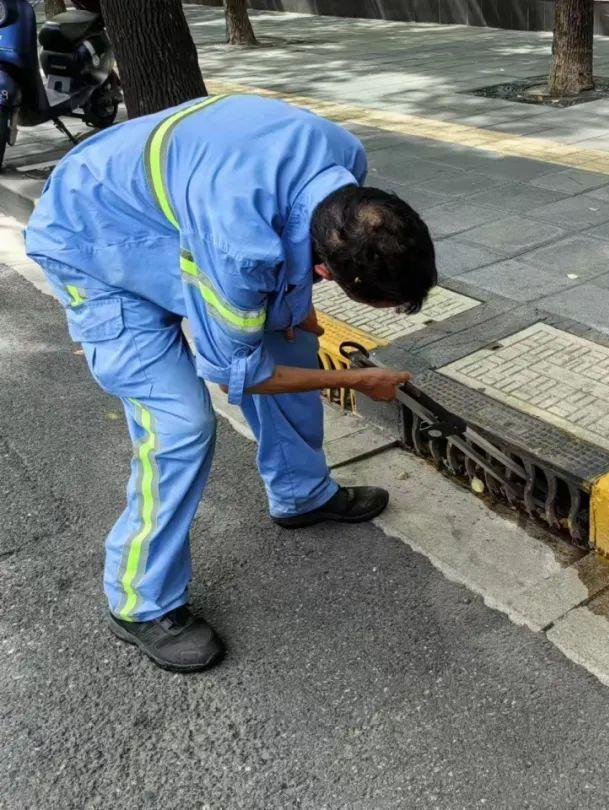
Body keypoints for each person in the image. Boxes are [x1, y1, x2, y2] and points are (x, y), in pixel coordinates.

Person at [24, 93, 437, 674]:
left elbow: (287, 271)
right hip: (92, 239)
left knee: (291, 335)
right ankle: (140, 599)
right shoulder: (242, 250)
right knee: (180, 422)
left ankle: (302, 494)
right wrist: (360, 379)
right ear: (327, 268)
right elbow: (236, 372)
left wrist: (296, 309)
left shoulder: (345, 163)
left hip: (168, 214)